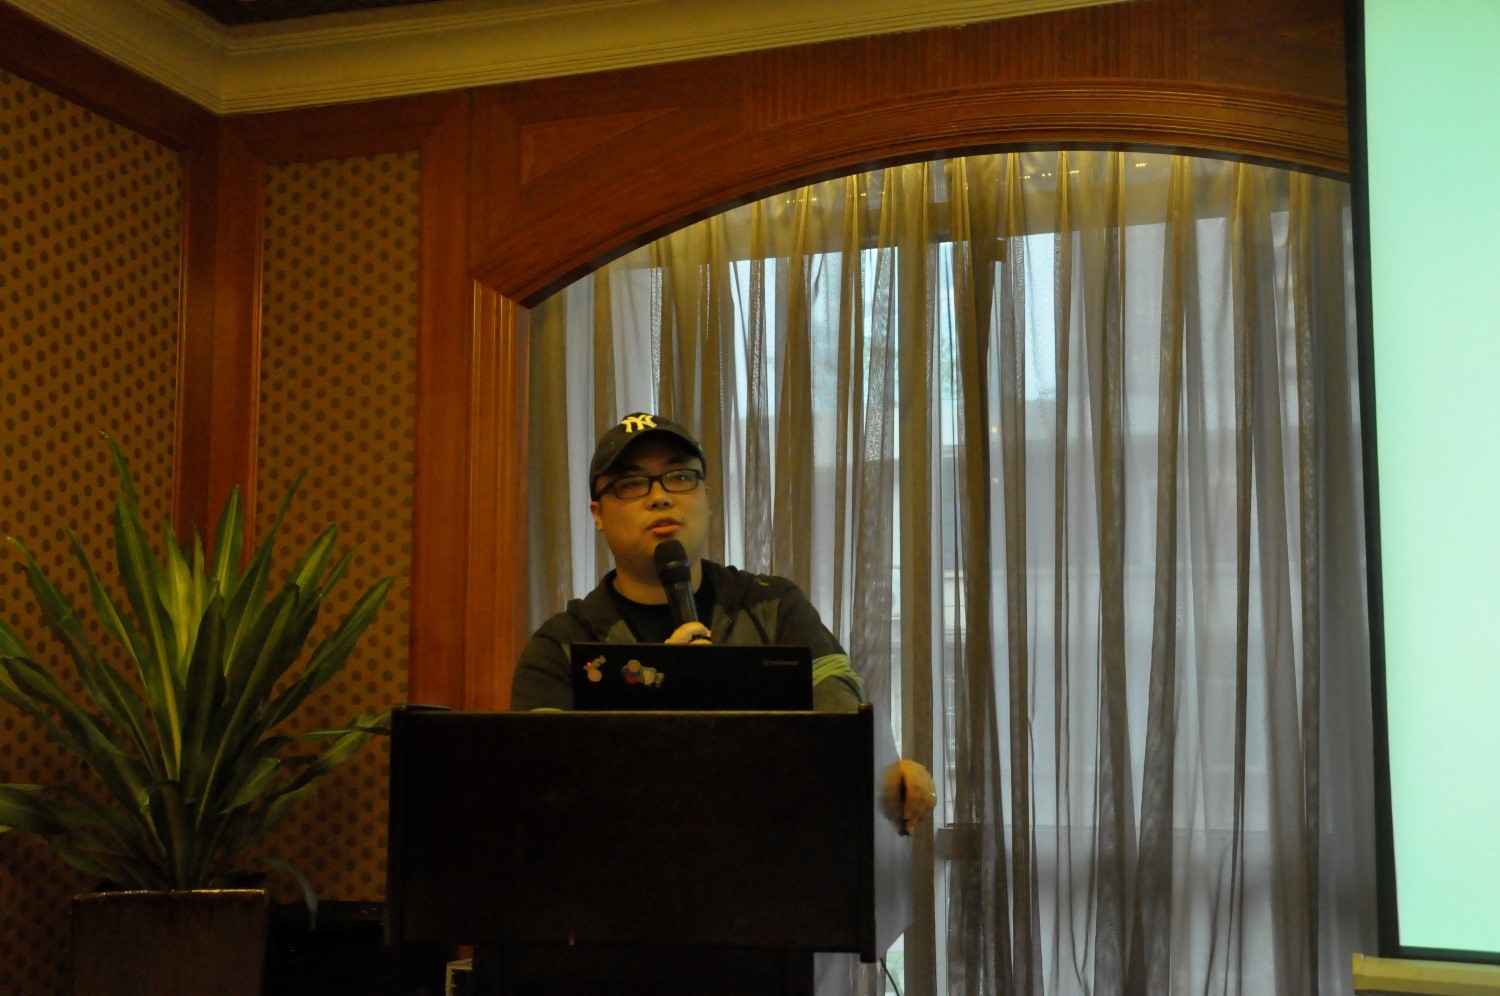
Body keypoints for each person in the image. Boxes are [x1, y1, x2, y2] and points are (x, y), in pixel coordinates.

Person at [511, 411, 937, 835]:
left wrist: (882, 771)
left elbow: (839, 723)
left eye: (680, 477)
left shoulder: (774, 607)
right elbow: (543, 793)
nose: (660, 497)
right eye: (632, 483)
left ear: (707, 497)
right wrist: (663, 700)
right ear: (597, 513)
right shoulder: (560, 647)